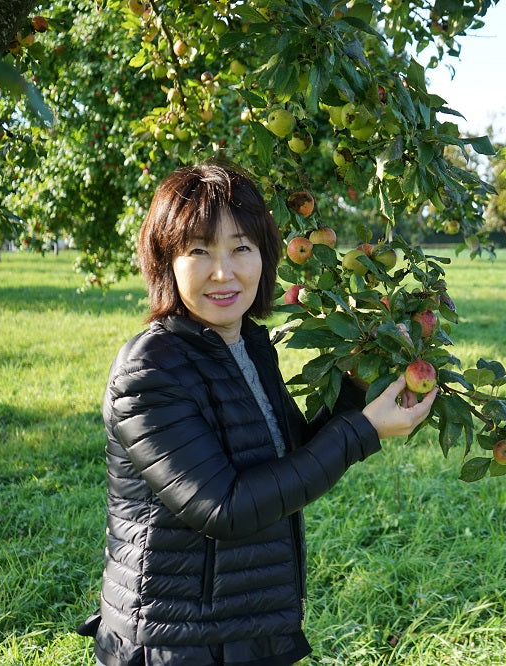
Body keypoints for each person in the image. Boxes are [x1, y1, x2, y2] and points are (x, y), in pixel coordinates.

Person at [76, 162, 436, 666]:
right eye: (199, 251)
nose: (224, 272)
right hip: (175, 641)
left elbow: (290, 454)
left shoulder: (248, 342)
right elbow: (224, 507)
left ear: (264, 257)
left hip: (246, 625)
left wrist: (358, 385)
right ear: (166, 262)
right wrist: (365, 430)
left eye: (241, 248)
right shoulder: (150, 369)